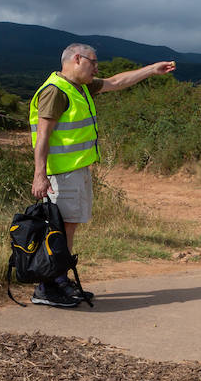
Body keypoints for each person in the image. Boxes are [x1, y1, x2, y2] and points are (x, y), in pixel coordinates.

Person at [30, 43, 175, 306]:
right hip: (61, 173)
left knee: (68, 226)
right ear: (76, 59)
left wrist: (152, 70)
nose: (97, 68)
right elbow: (43, 136)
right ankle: (49, 287)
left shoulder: (80, 87)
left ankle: (58, 280)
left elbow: (116, 82)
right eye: (93, 62)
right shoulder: (55, 90)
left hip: (76, 170)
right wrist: (39, 174)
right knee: (59, 228)